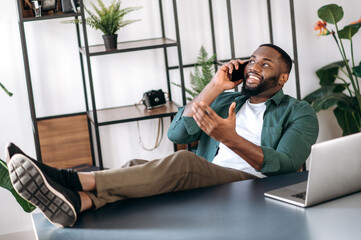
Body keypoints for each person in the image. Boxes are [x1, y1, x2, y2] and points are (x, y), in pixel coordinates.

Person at [6, 44, 319, 228]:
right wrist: (214, 86)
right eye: (251, 61)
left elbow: (288, 165)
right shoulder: (225, 100)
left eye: (265, 65)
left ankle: (72, 179)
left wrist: (229, 138)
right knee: (133, 164)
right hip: (211, 175)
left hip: (249, 183)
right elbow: (177, 131)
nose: (253, 67)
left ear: (282, 78)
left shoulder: (299, 112)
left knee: (183, 162)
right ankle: (81, 202)